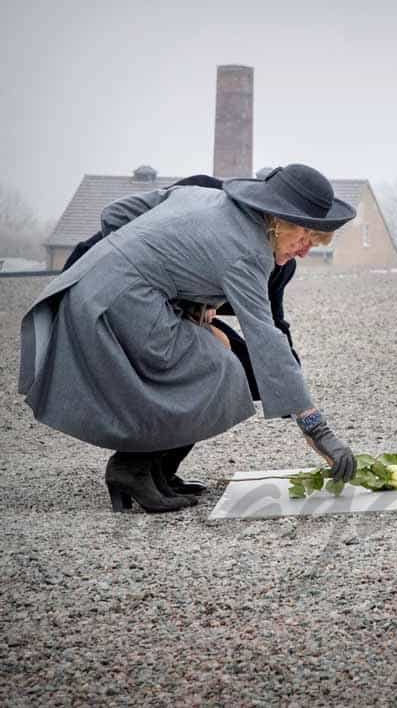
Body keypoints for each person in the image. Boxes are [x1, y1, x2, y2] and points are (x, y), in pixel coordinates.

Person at [18, 164, 358, 513]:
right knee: (220, 369)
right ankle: (131, 468)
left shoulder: (202, 196)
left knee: (216, 351)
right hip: (125, 304)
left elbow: (114, 215)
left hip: (91, 289)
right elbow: (265, 338)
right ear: (278, 221)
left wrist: (162, 271)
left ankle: (155, 471)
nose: (304, 252)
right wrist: (317, 430)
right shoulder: (248, 253)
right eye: (304, 239)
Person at [61, 173, 302, 497]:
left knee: (249, 372)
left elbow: (270, 325)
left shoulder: (282, 263)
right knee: (205, 366)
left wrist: (292, 389)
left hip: (176, 308)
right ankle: (133, 465)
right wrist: (184, 299)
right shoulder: (208, 196)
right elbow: (124, 225)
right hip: (119, 296)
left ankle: (161, 467)